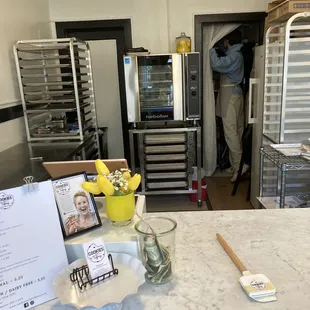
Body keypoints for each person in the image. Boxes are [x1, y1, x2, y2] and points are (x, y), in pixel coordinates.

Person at [210, 29, 248, 182]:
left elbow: (217, 65)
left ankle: (239, 167)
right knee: (237, 131)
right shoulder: (238, 54)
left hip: (230, 96)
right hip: (236, 94)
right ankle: (235, 164)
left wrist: (210, 49)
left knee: (230, 132)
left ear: (227, 41)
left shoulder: (234, 55)